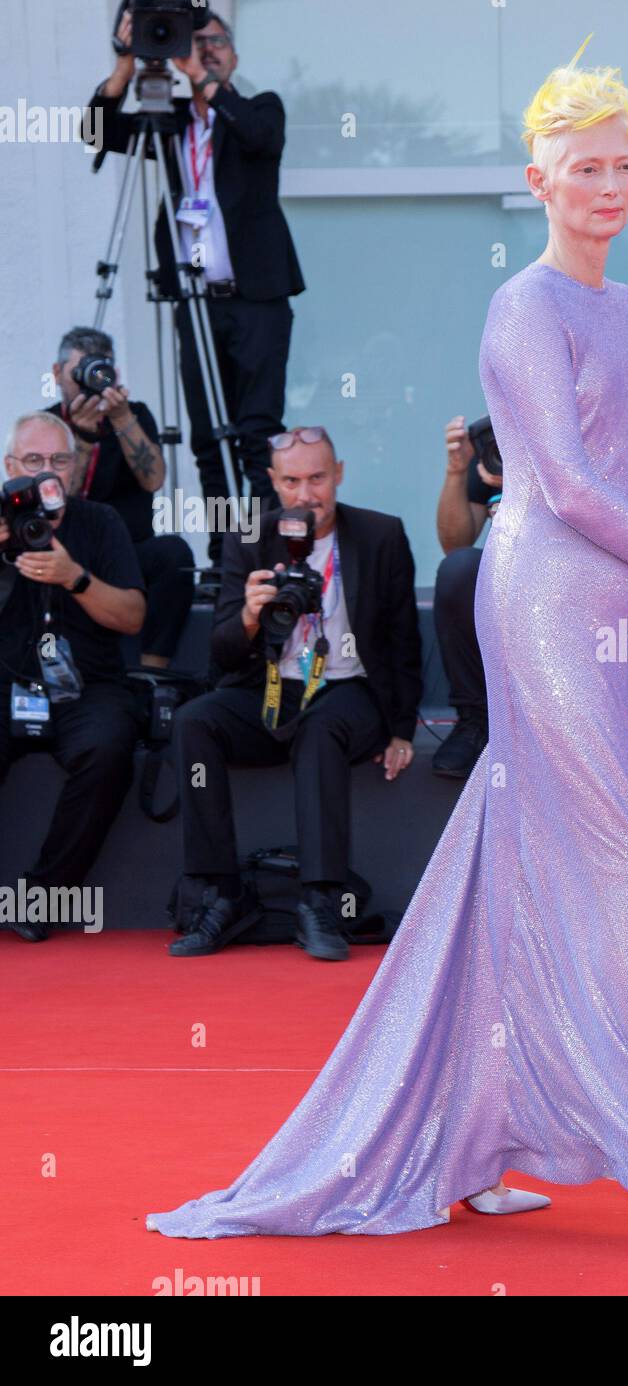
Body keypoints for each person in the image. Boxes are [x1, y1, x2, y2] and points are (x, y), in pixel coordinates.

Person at [145, 36, 628, 1253]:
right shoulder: (521, 308)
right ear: (538, 181)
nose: (612, 188)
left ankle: (479, 1131)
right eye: (586, 170)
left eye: (625, 166)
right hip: (538, 598)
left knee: (513, 861)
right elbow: (565, 483)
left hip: (617, 601)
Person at [168, 426, 422, 961]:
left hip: (348, 689)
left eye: (317, 478)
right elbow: (222, 652)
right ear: (272, 483)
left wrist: (402, 729)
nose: (306, 494)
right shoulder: (249, 536)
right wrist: (249, 616)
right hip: (269, 689)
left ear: (340, 474)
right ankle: (219, 894)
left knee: (320, 728)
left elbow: (404, 642)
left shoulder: (380, 535)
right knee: (194, 721)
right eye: (292, 481)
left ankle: (320, 902)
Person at [90, 7, 305, 565]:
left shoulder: (259, 108)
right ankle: (223, 556)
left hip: (257, 299)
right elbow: (95, 132)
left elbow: (259, 137)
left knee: (256, 434)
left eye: (214, 43)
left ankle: (259, 555)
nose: (203, 52)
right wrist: (124, 65)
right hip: (195, 299)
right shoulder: (172, 118)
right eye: (194, 42)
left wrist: (201, 76)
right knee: (209, 437)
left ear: (233, 53)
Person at [0, 414, 146, 941]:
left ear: (77, 465)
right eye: (33, 461)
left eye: (58, 460)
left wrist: (75, 578)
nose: (46, 473)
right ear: (10, 467)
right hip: (6, 684)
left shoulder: (100, 522)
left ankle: (40, 899)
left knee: (109, 748)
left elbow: (131, 617)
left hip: (88, 686)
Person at [48, 327, 194, 668]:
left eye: (100, 372)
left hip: (129, 552)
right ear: (56, 374)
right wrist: (82, 436)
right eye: (78, 374)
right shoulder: (49, 424)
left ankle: (153, 672)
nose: (90, 383)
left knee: (174, 555)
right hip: (68, 555)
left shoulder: (134, 415)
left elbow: (154, 479)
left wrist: (121, 418)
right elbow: (58, 500)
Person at [429, 413, 502, 777]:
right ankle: (476, 719)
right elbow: (454, 543)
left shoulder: (582, 430)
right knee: (460, 569)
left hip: (576, 588)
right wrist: (458, 472)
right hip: (514, 586)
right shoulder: (496, 441)